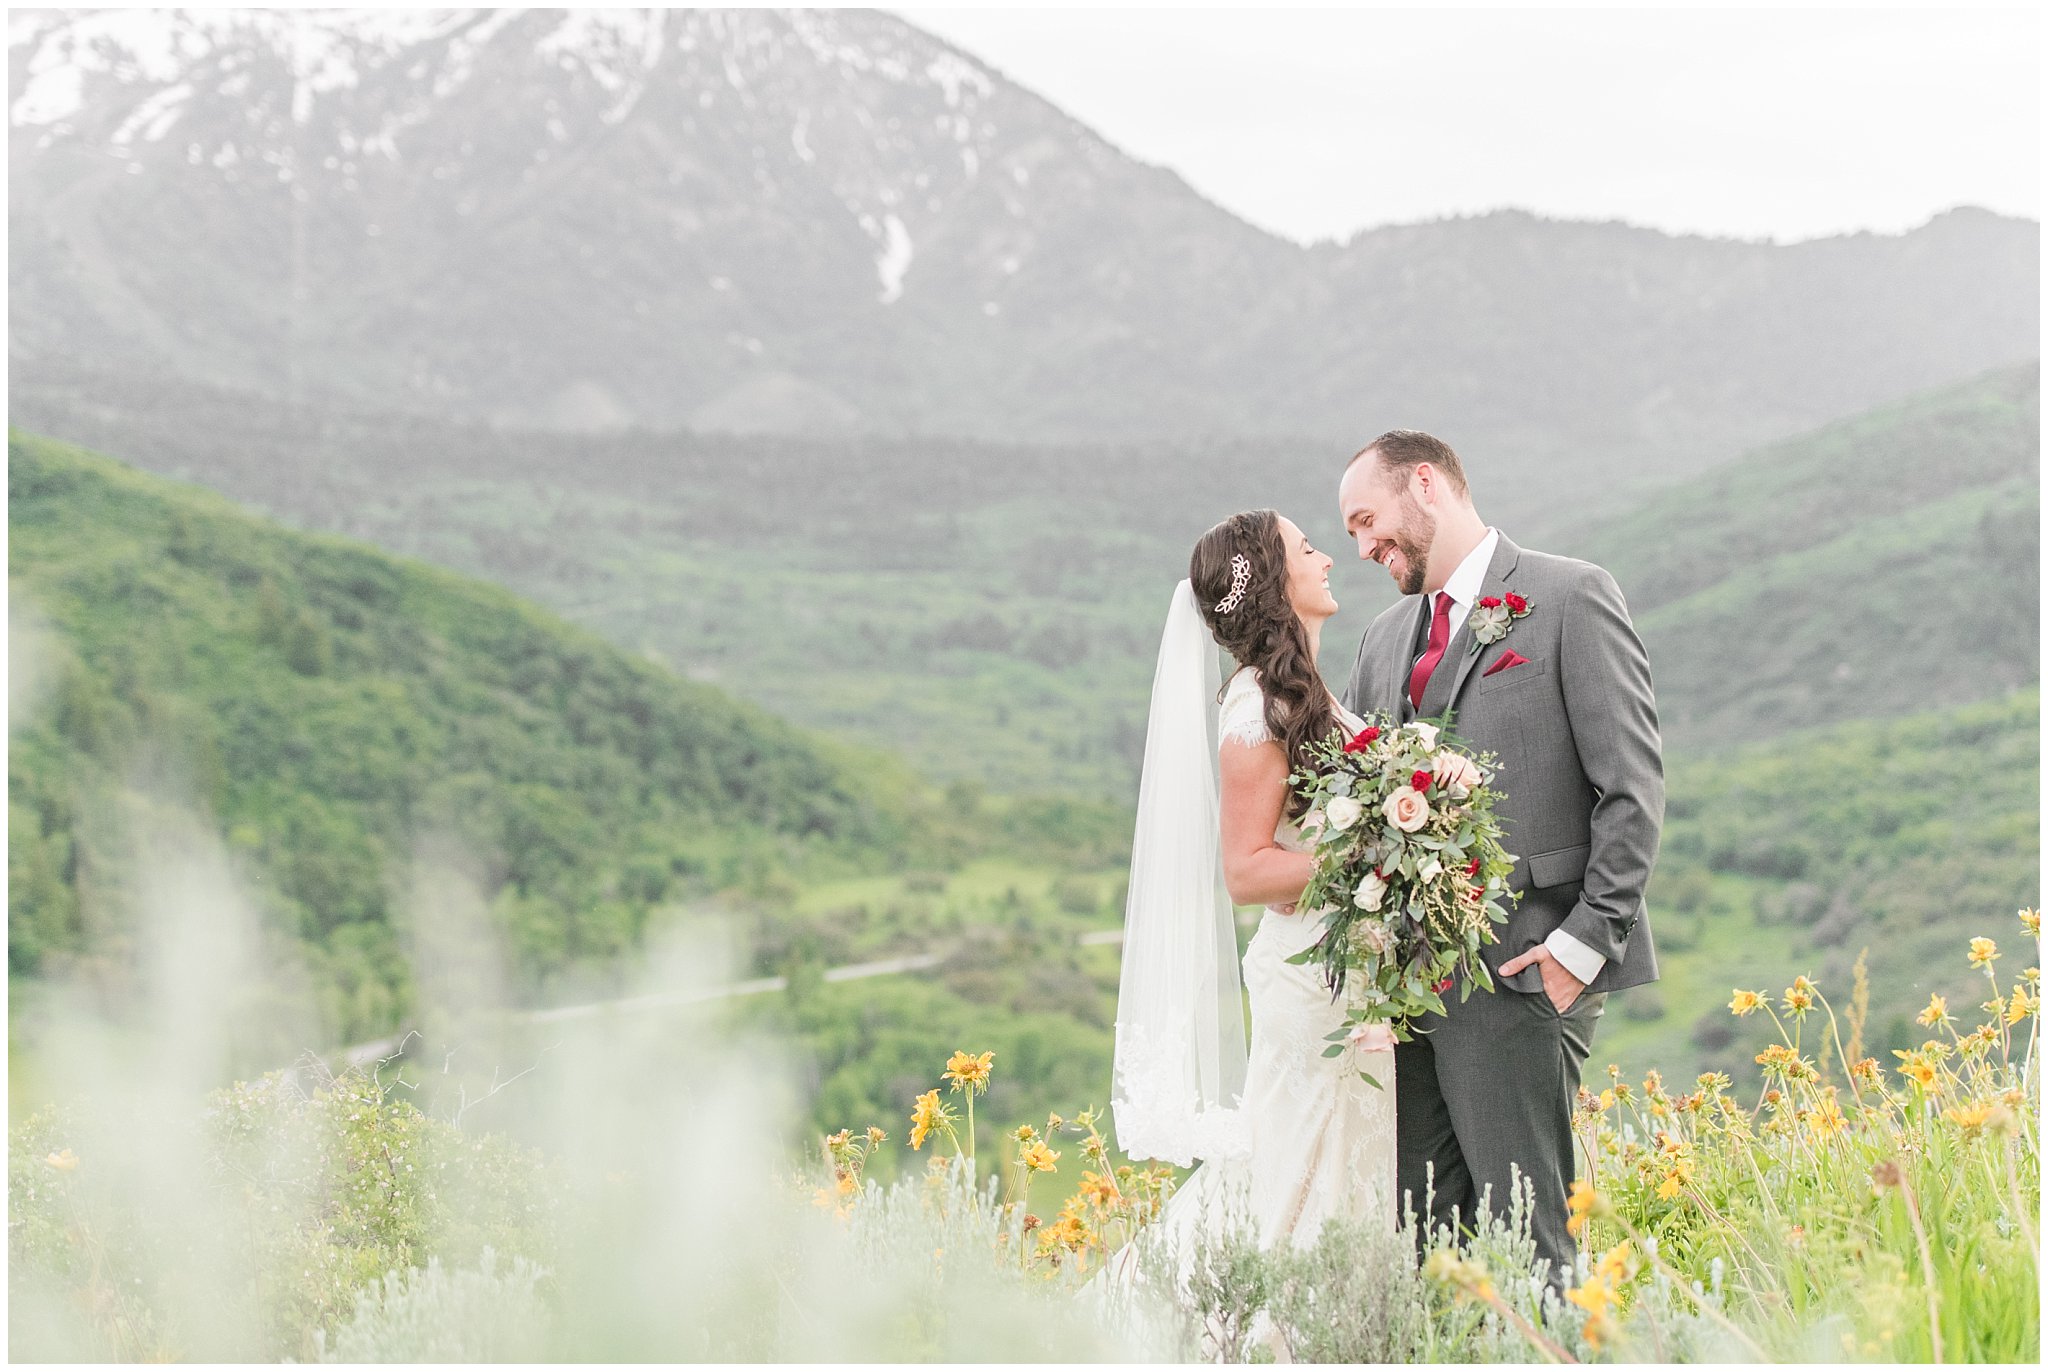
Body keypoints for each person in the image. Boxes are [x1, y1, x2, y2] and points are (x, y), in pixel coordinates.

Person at [1336, 429, 1664, 1298]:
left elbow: (1630, 787)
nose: (1365, 547)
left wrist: (1583, 947)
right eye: (1351, 535)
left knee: (1529, 1244)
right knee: (1429, 1251)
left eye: (1369, 521)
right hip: (1409, 996)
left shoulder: (1570, 597)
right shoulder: (1379, 640)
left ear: (1426, 484)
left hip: (1526, 969)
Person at [1106, 508, 1397, 1283]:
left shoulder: (1295, 696)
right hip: (1311, 985)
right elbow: (1247, 872)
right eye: (1307, 548)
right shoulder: (1255, 712)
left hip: (1345, 976)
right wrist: (1374, 857)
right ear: (1275, 580)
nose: (1328, 557)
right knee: (1293, 1180)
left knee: (1334, 1181)